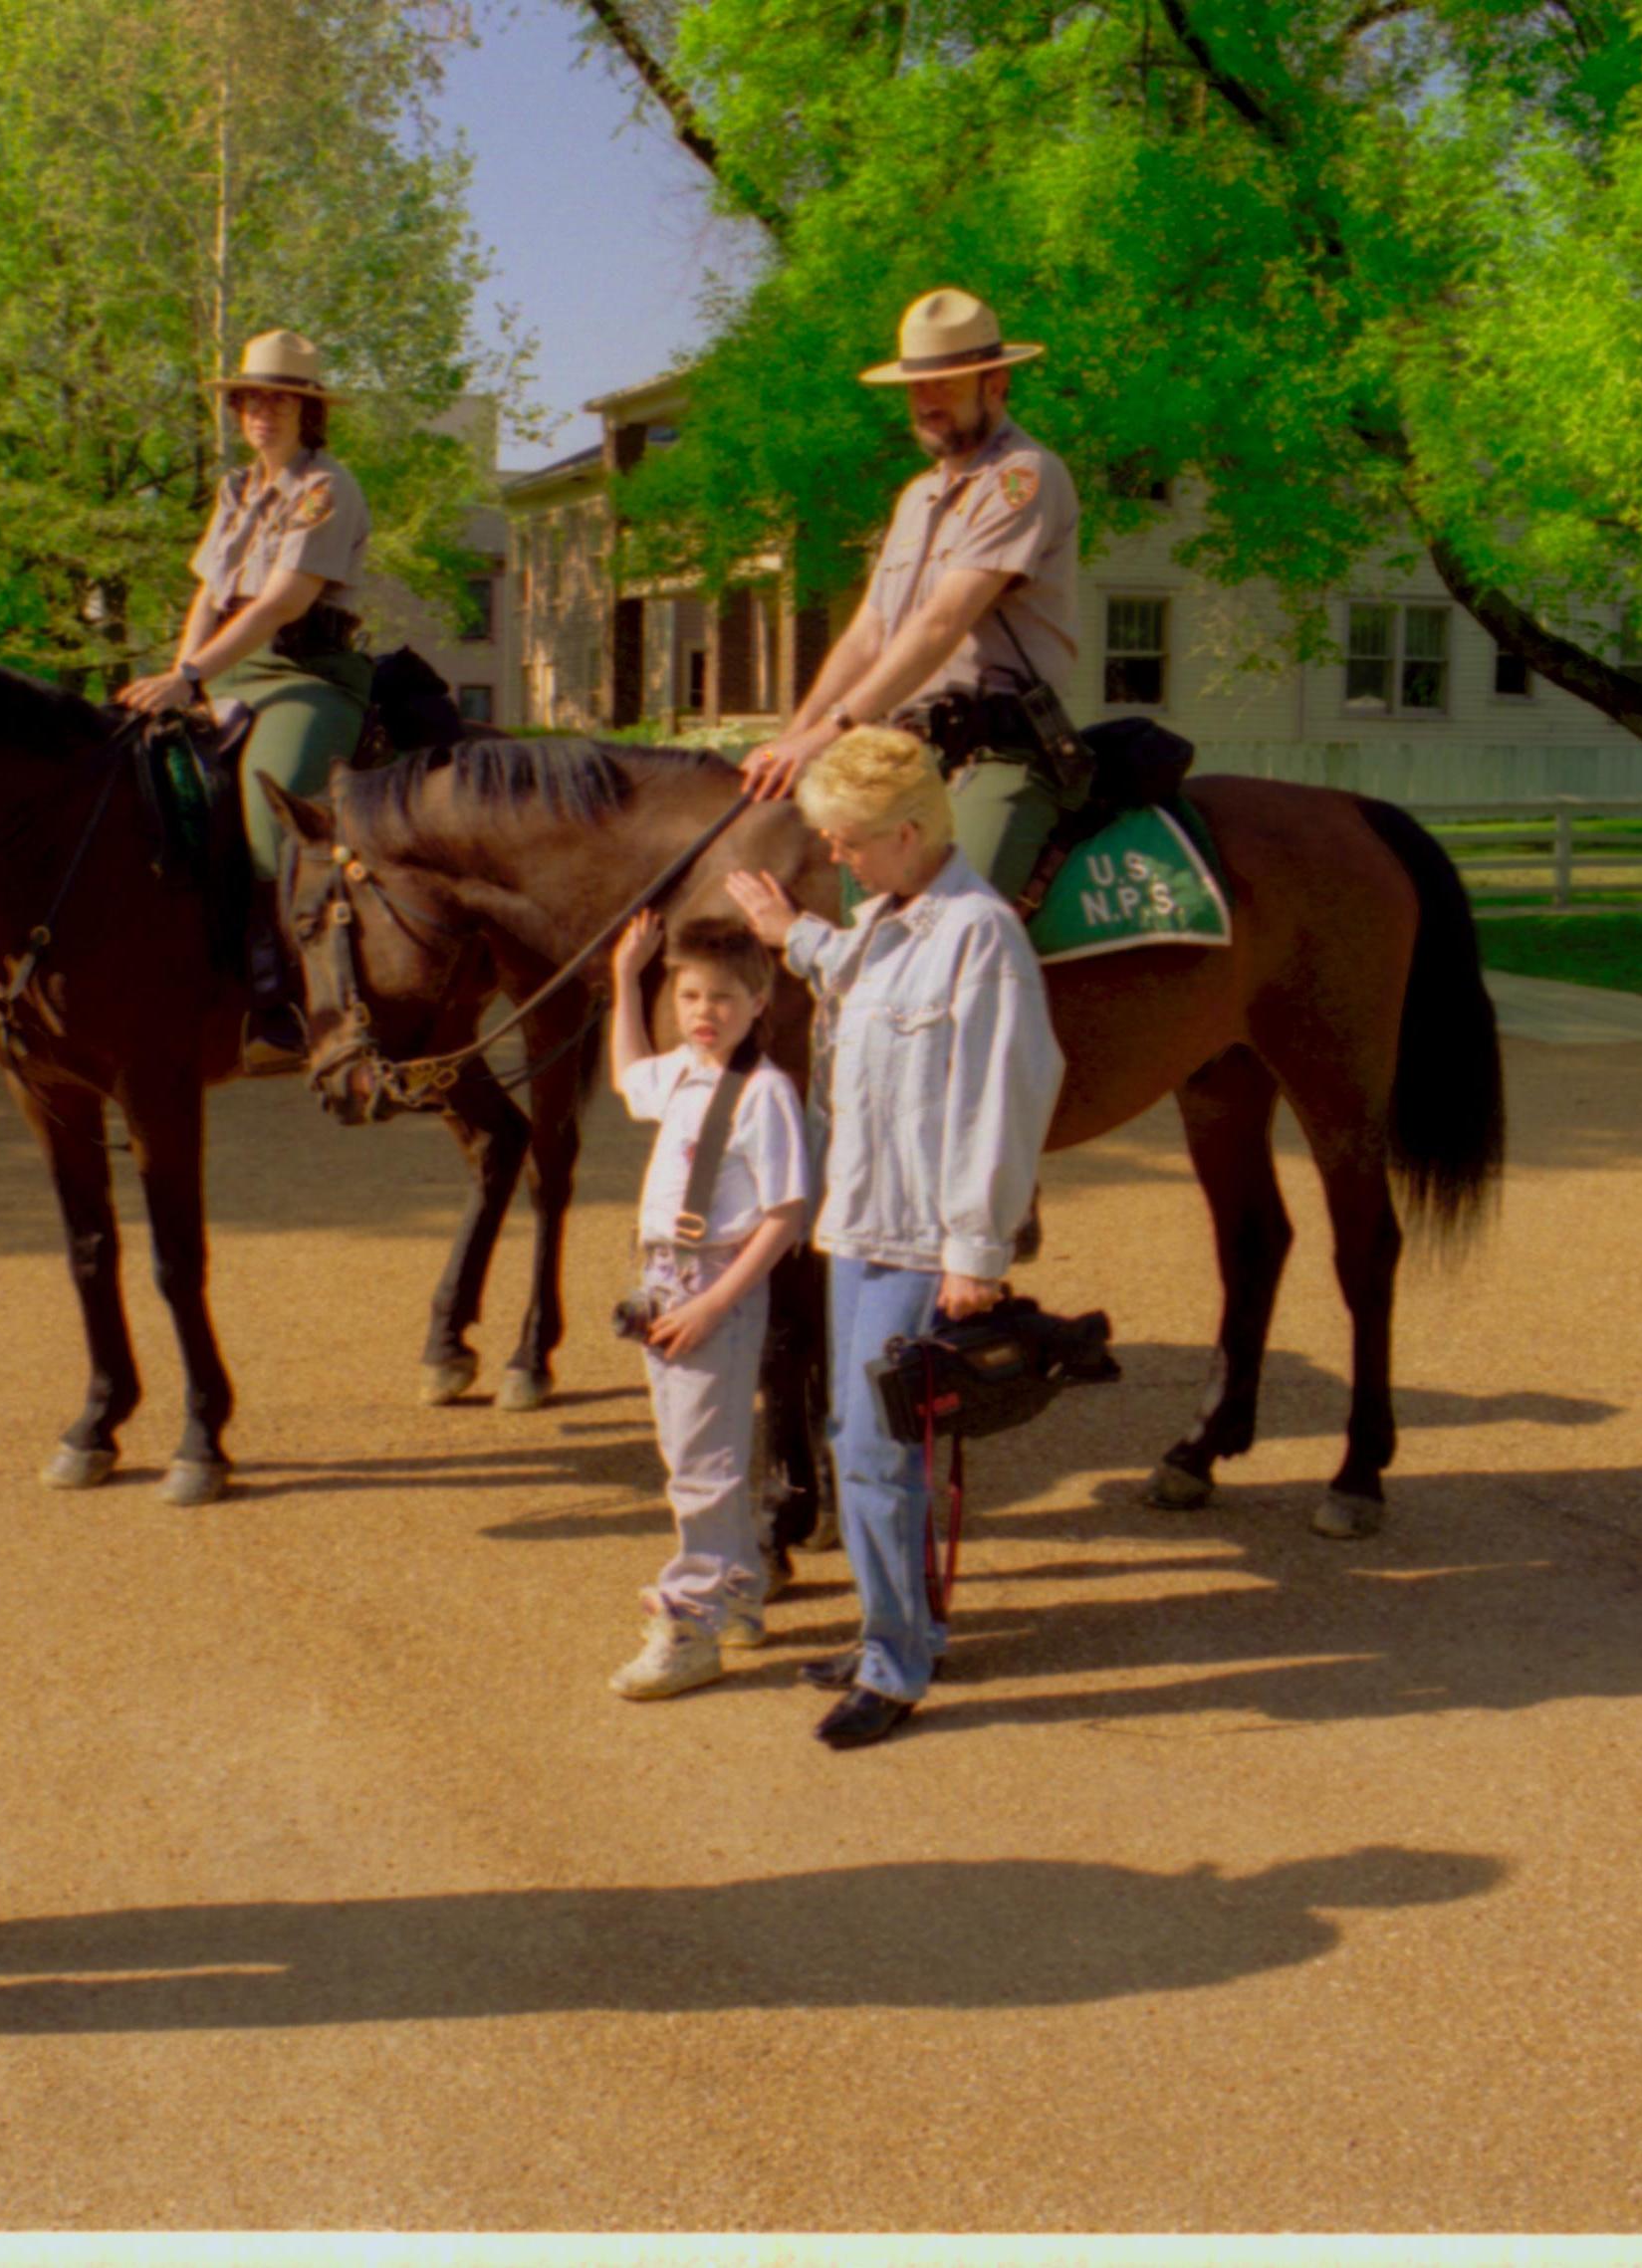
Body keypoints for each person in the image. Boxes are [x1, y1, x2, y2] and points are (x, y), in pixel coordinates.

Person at [724, 727, 1059, 1749]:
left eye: (846, 839)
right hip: (856, 1222)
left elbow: (1006, 1097)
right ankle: (901, 1627)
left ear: (907, 833)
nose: (833, 855)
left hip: (921, 1240)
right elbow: (852, 983)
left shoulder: (979, 935)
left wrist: (975, 1252)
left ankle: (894, 1664)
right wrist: (791, 934)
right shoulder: (880, 917)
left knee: (873, 1452)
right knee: (859, 1440)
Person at [737, 289, 1083, 910]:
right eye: (917, 388)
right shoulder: (917, 498)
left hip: (1000, 750)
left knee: (948, 918)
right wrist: (796, 736)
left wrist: (834, 729)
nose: (927, 403)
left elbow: (941, 622)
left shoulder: (1023, 478)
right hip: (906, 753)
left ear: (997, 384)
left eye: (947, 386)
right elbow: (870, 632)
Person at [114, 328, 375, 1063]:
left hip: (302, 672)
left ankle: (286, 993)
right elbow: (211, 592)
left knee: (272, 807)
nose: (262, 412)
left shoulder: (327, 487)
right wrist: (177, 677)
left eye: (279, 400)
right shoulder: (236, 488)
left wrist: (192, 677)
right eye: (250, 399)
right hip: (221, 667)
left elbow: (279, 603)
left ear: (306, 411)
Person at [599, 907, 815, 1701]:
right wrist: (625, 979)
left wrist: (716, 1304)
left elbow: (786, 1214)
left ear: (759, 1002)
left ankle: (690, 1618)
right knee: (690, 1451)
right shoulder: (681, 1074)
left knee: (701, 1466)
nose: (703, 1013)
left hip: (711, 1288)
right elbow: (627, 1077)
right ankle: (739, 1593)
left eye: (722, 998)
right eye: (689, 996)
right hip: (663, 1282)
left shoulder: (761, 1094)